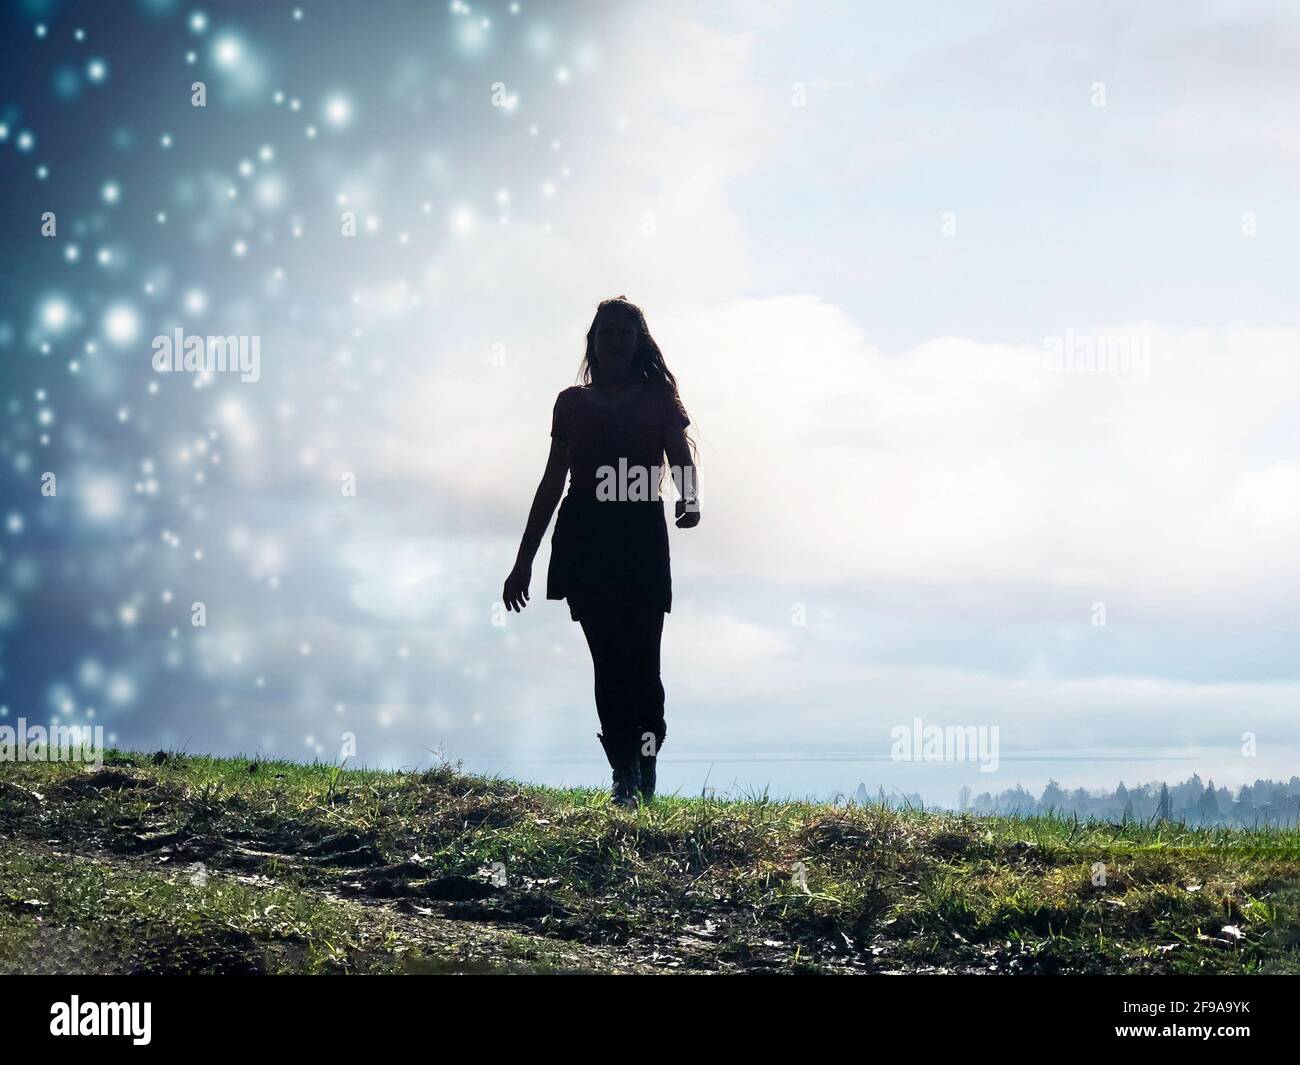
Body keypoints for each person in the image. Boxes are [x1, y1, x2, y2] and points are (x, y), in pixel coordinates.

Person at [502, 296, 699, 808]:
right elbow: (552, 481)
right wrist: (524, 559)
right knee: (607, 662)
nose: (614, 340)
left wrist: (690, 499)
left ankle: (647, 760)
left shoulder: (656, 397)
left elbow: (679, 454)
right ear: (593, 340)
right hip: (586, 536)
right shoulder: (571, 403)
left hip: (640, 536)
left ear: (639, 343)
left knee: (644, 663)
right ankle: (624, 776)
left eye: (624, 333)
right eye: (605, 332)